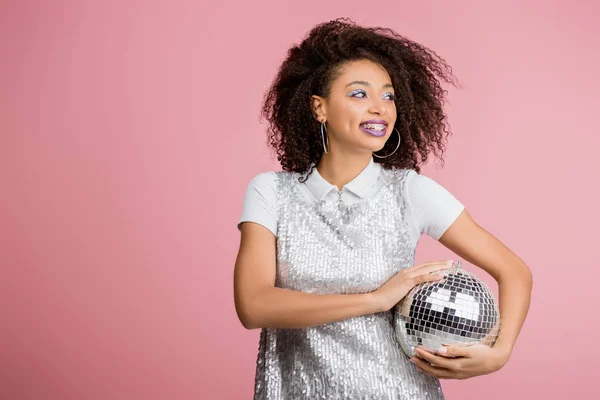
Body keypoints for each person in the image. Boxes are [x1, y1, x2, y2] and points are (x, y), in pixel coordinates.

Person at [233, 18, 533, 400]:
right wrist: (377, 299)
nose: (379, 108)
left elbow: (515, 272)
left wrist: (499, 353)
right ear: (319, 107)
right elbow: (254, 305)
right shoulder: (270, 192)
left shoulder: (411, 192)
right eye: (359, 94)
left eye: (388, 96)